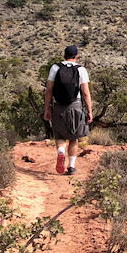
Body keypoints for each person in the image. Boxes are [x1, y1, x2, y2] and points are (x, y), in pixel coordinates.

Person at [43, 45, 92, 175]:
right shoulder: (81, 69)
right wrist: (89, 111)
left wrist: (46, 108)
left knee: (59, 135)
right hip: (75, 105)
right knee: (73, 137)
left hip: (58, 106)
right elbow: (86, 93)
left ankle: (60, 151)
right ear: (76, 56)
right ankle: (71, 167)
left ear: (64, 55)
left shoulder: (55, 67)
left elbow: (48, 90)